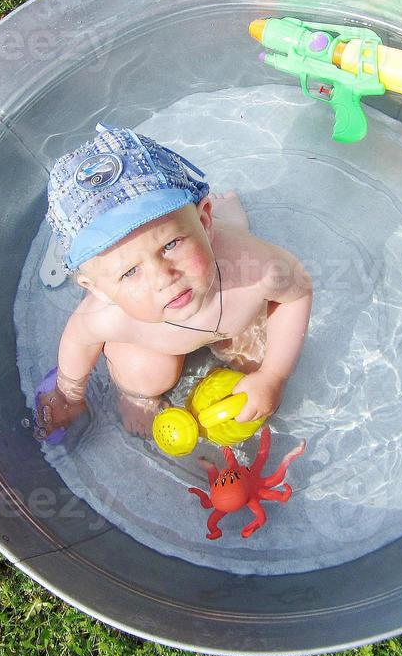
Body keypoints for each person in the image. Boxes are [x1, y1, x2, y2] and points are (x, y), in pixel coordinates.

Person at [33, 124, 313, 440]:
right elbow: (78, 339)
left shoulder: (254, 270)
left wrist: (273, 376)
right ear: (96, 287)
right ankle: (137, 395)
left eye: (170, 245)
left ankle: (225, 217)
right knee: (143, 374)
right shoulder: (109, 314)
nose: (163, 278)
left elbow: (298, 290)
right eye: (129, 272)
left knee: (258, 353)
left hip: (226, 287)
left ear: (203, 221)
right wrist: (69, 394)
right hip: (152, 342)